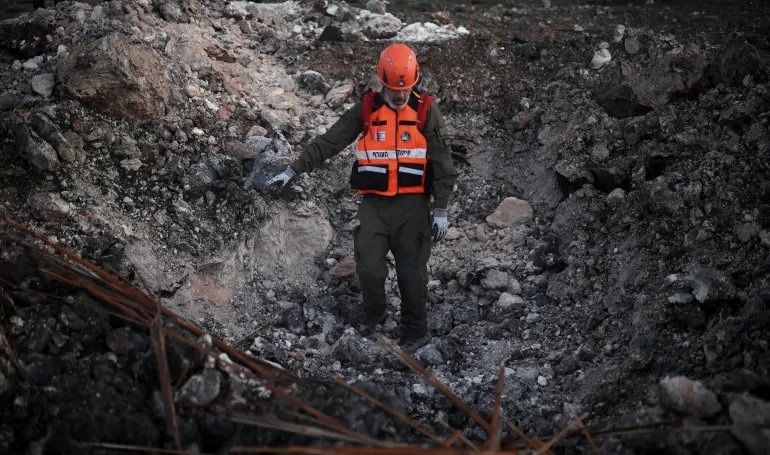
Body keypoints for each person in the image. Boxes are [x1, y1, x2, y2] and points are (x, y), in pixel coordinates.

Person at [264, 43, 457, 353]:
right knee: (368, 269)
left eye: (405, 89)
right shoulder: (367, 109)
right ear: (381, 81)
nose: (400, 96)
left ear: (415, 82)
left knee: (412, 274)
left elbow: (443, 162)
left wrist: (441, 209)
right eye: (394, 89)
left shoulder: (426, 111)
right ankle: (374, 317)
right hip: (374, 207)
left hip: (412, 207)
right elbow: (330, 141)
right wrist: (293, 170)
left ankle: (415, 331)